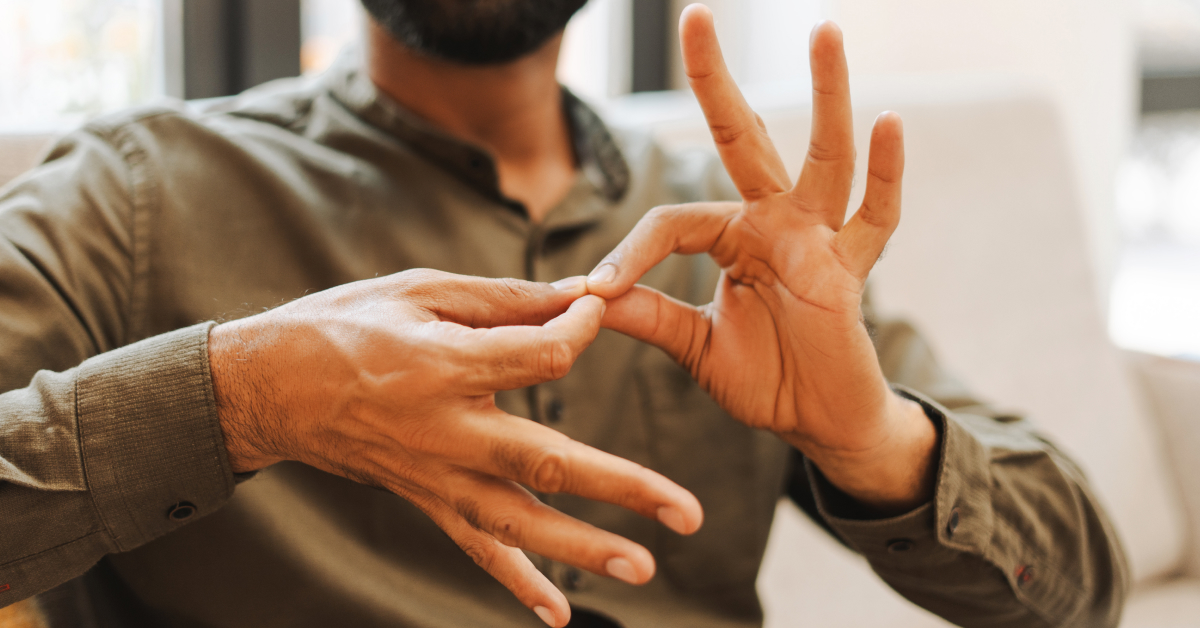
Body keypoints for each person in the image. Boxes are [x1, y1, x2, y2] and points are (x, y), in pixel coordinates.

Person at [0, 1, 1127, 627]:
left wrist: (873, 443)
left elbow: (1084, 593)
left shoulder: (745, 242)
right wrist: (245, 397)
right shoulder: (130, 197)